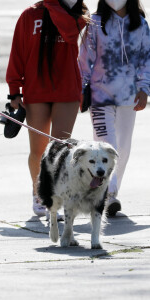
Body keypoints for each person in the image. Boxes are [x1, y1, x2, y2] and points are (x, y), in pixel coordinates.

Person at [6, 0, 88, 217]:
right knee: (38, 150)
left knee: (59, 150)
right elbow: (18, 52)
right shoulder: (29, 16)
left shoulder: (77, 14)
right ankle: (39, 194)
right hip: (37, 90)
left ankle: (54, 197)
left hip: (67, 90)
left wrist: (53, 4)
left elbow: (70, 34)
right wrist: (14, 89)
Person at [79, 0, 150, 216]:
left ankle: (108, 193)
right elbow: (84, 58)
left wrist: (144, 88)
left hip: (129, 97)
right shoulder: (95, 22)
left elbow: (147, 59)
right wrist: (82, 88)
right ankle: (108, 195)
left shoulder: (141, 25)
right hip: (100, 97)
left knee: (123, 150)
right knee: (107, 146)